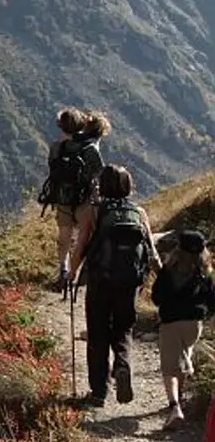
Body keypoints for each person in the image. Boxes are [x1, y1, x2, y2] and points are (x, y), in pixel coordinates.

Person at [69, 164, 160, 406]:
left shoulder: (93, 211)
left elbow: (80, 247)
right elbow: (152, 252)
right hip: (130, 283)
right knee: (123, 328)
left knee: (97, 332)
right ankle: (122, 365)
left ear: (102, 185)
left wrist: (71, 273)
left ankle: (99, 392)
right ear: (128, 186)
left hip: (100, 281)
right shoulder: (138, 212)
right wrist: (162, 277)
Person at [150, 230, 215, 429]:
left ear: (179, 249)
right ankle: (179, 397)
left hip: (171, 322)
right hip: (194, 325)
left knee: (169, 368)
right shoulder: (204, 273)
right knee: (182, 359)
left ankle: (174, 407)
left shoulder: (169, 271)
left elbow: (157, 298)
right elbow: (212, 302)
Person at [40, 108, 107, 288]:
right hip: (84, 199)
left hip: (63, 197)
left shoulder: (56, 147)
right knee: (83, 235)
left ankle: (63, 269)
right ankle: (76, 271)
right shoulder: (90, 149)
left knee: (64, 235)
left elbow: (52, 168)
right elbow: (100, 173)